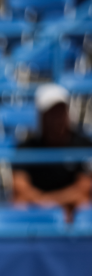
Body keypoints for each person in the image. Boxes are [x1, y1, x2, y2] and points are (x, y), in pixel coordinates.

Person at [12, 84, 92, 223]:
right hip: (37, 205)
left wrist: (51, 201)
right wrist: (44, 202)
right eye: (51, 113)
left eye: (60, 111)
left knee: (84, 204)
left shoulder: (83, 144)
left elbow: (83, 188)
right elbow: (20, 187)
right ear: (41, 116)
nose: (57, 118)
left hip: (69, 206)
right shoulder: (26, 147)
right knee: (19, 203)